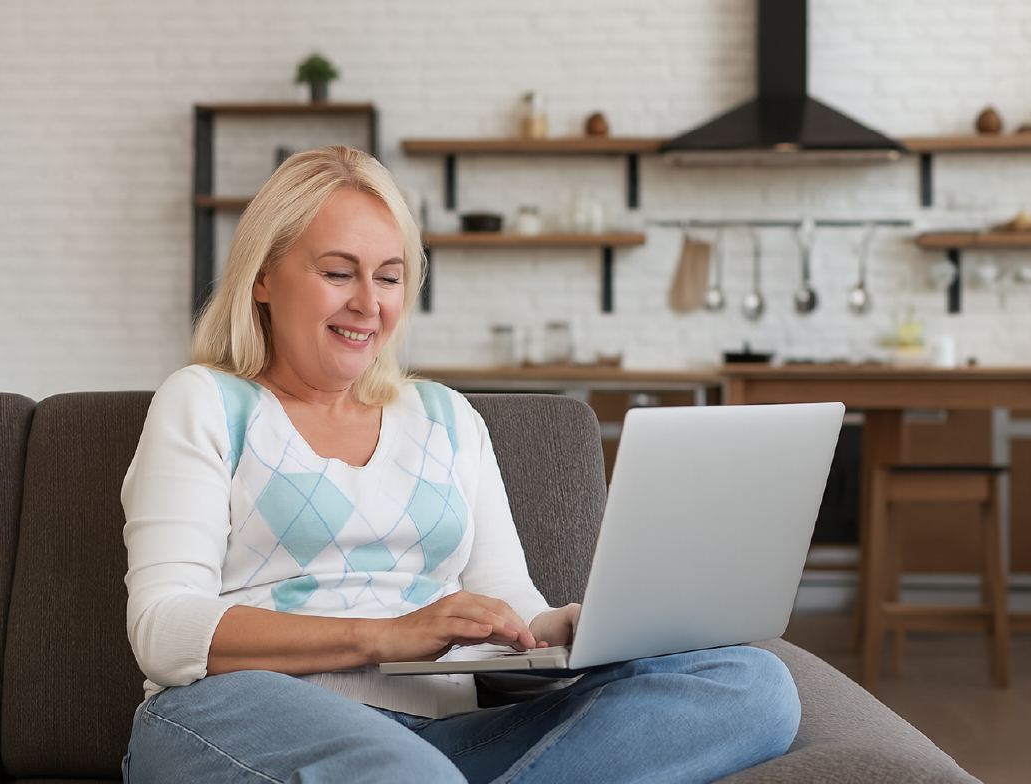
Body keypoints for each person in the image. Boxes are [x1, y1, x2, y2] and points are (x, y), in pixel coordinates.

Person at [121, 145, 800, 784]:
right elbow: (163, 627)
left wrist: (552, 631)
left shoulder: (446, 419)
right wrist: (387, 637)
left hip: (443, 740)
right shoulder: (207, 402)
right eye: (338, 272)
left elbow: (507, 600)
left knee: (754, 687)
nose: (369, 303)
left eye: (389, 277)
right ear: (263, 275)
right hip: (237, 715)